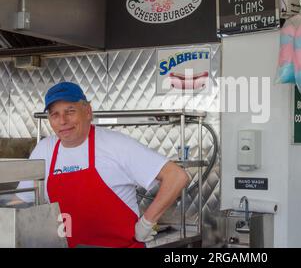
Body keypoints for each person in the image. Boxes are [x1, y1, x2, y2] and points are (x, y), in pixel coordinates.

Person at [16, 81, 189, 248]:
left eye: (70, 111)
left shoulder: (115, 145)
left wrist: (146, 222)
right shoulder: (44, 149)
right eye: (55, 114)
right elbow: (22, 201)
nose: (62, 120)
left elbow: (176, 176)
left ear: (88, 111)